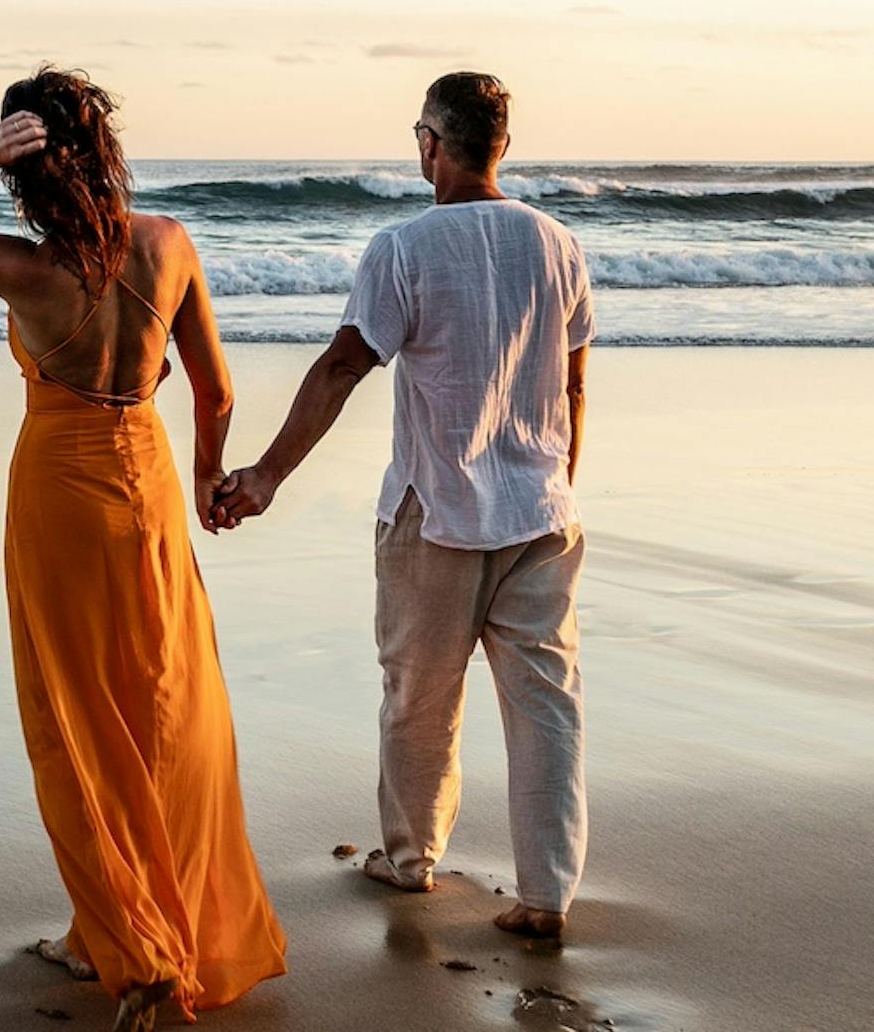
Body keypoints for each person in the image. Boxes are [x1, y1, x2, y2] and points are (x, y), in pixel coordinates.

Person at [0, 69, 288, 1027]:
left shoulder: (22, 269)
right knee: (159, 702)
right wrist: (208, 480)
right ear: (107, 149)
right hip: (143, 487)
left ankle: (123, 941)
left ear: (28, 169)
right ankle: (120, 924)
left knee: (73, 713)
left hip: (58, 492)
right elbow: (215, 392)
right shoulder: (170, 246)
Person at [212, 71, 593, 944]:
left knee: (420, 696)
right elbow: (575, 382)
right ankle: (547, 892)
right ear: (500, 146)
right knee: (546, 702)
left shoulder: (405, 246)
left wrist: (266, 474)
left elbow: (345, 363)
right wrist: (559, 478)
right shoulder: (558, 242)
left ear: (431, 141)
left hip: (439, 510)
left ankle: (413, 857)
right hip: (543, 509)